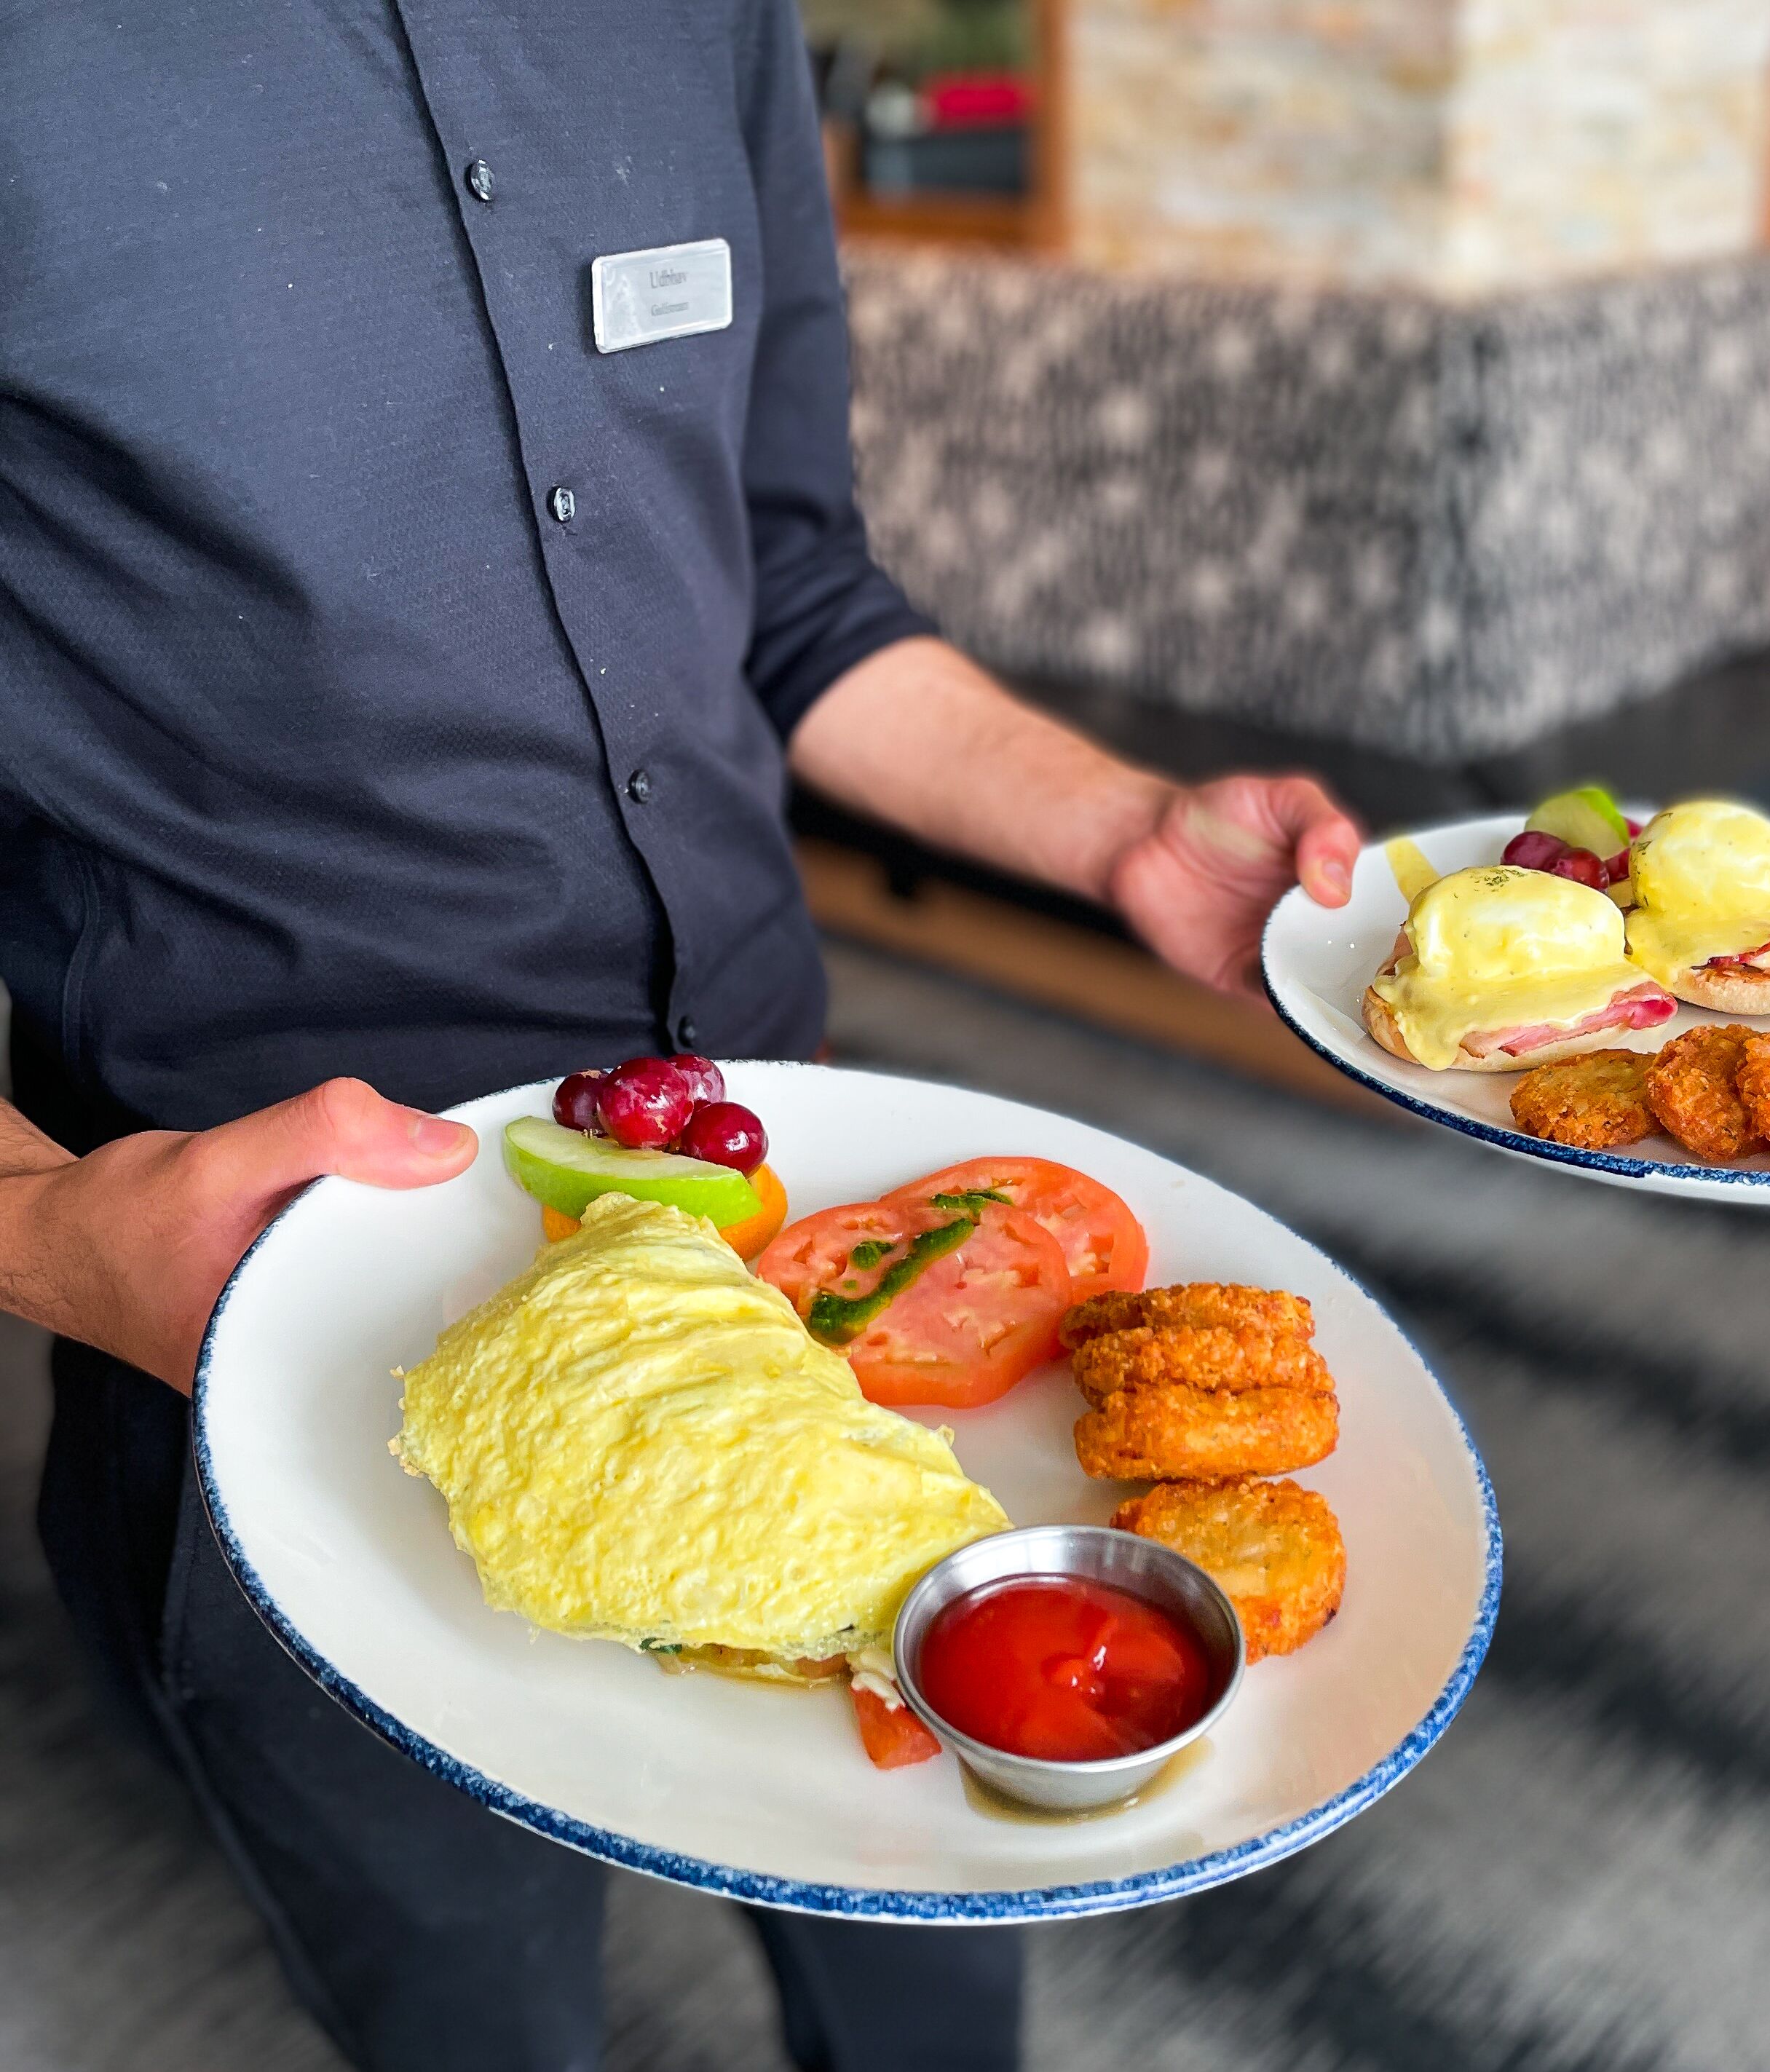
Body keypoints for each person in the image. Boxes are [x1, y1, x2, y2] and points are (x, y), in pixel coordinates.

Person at [0, 4, 1360, 2068]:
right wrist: (49, 1234)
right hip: (260, 1313)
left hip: (800, 1246)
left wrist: (1123, 830)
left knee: (935, 1932)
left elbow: (788, 584)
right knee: (470, 2016)